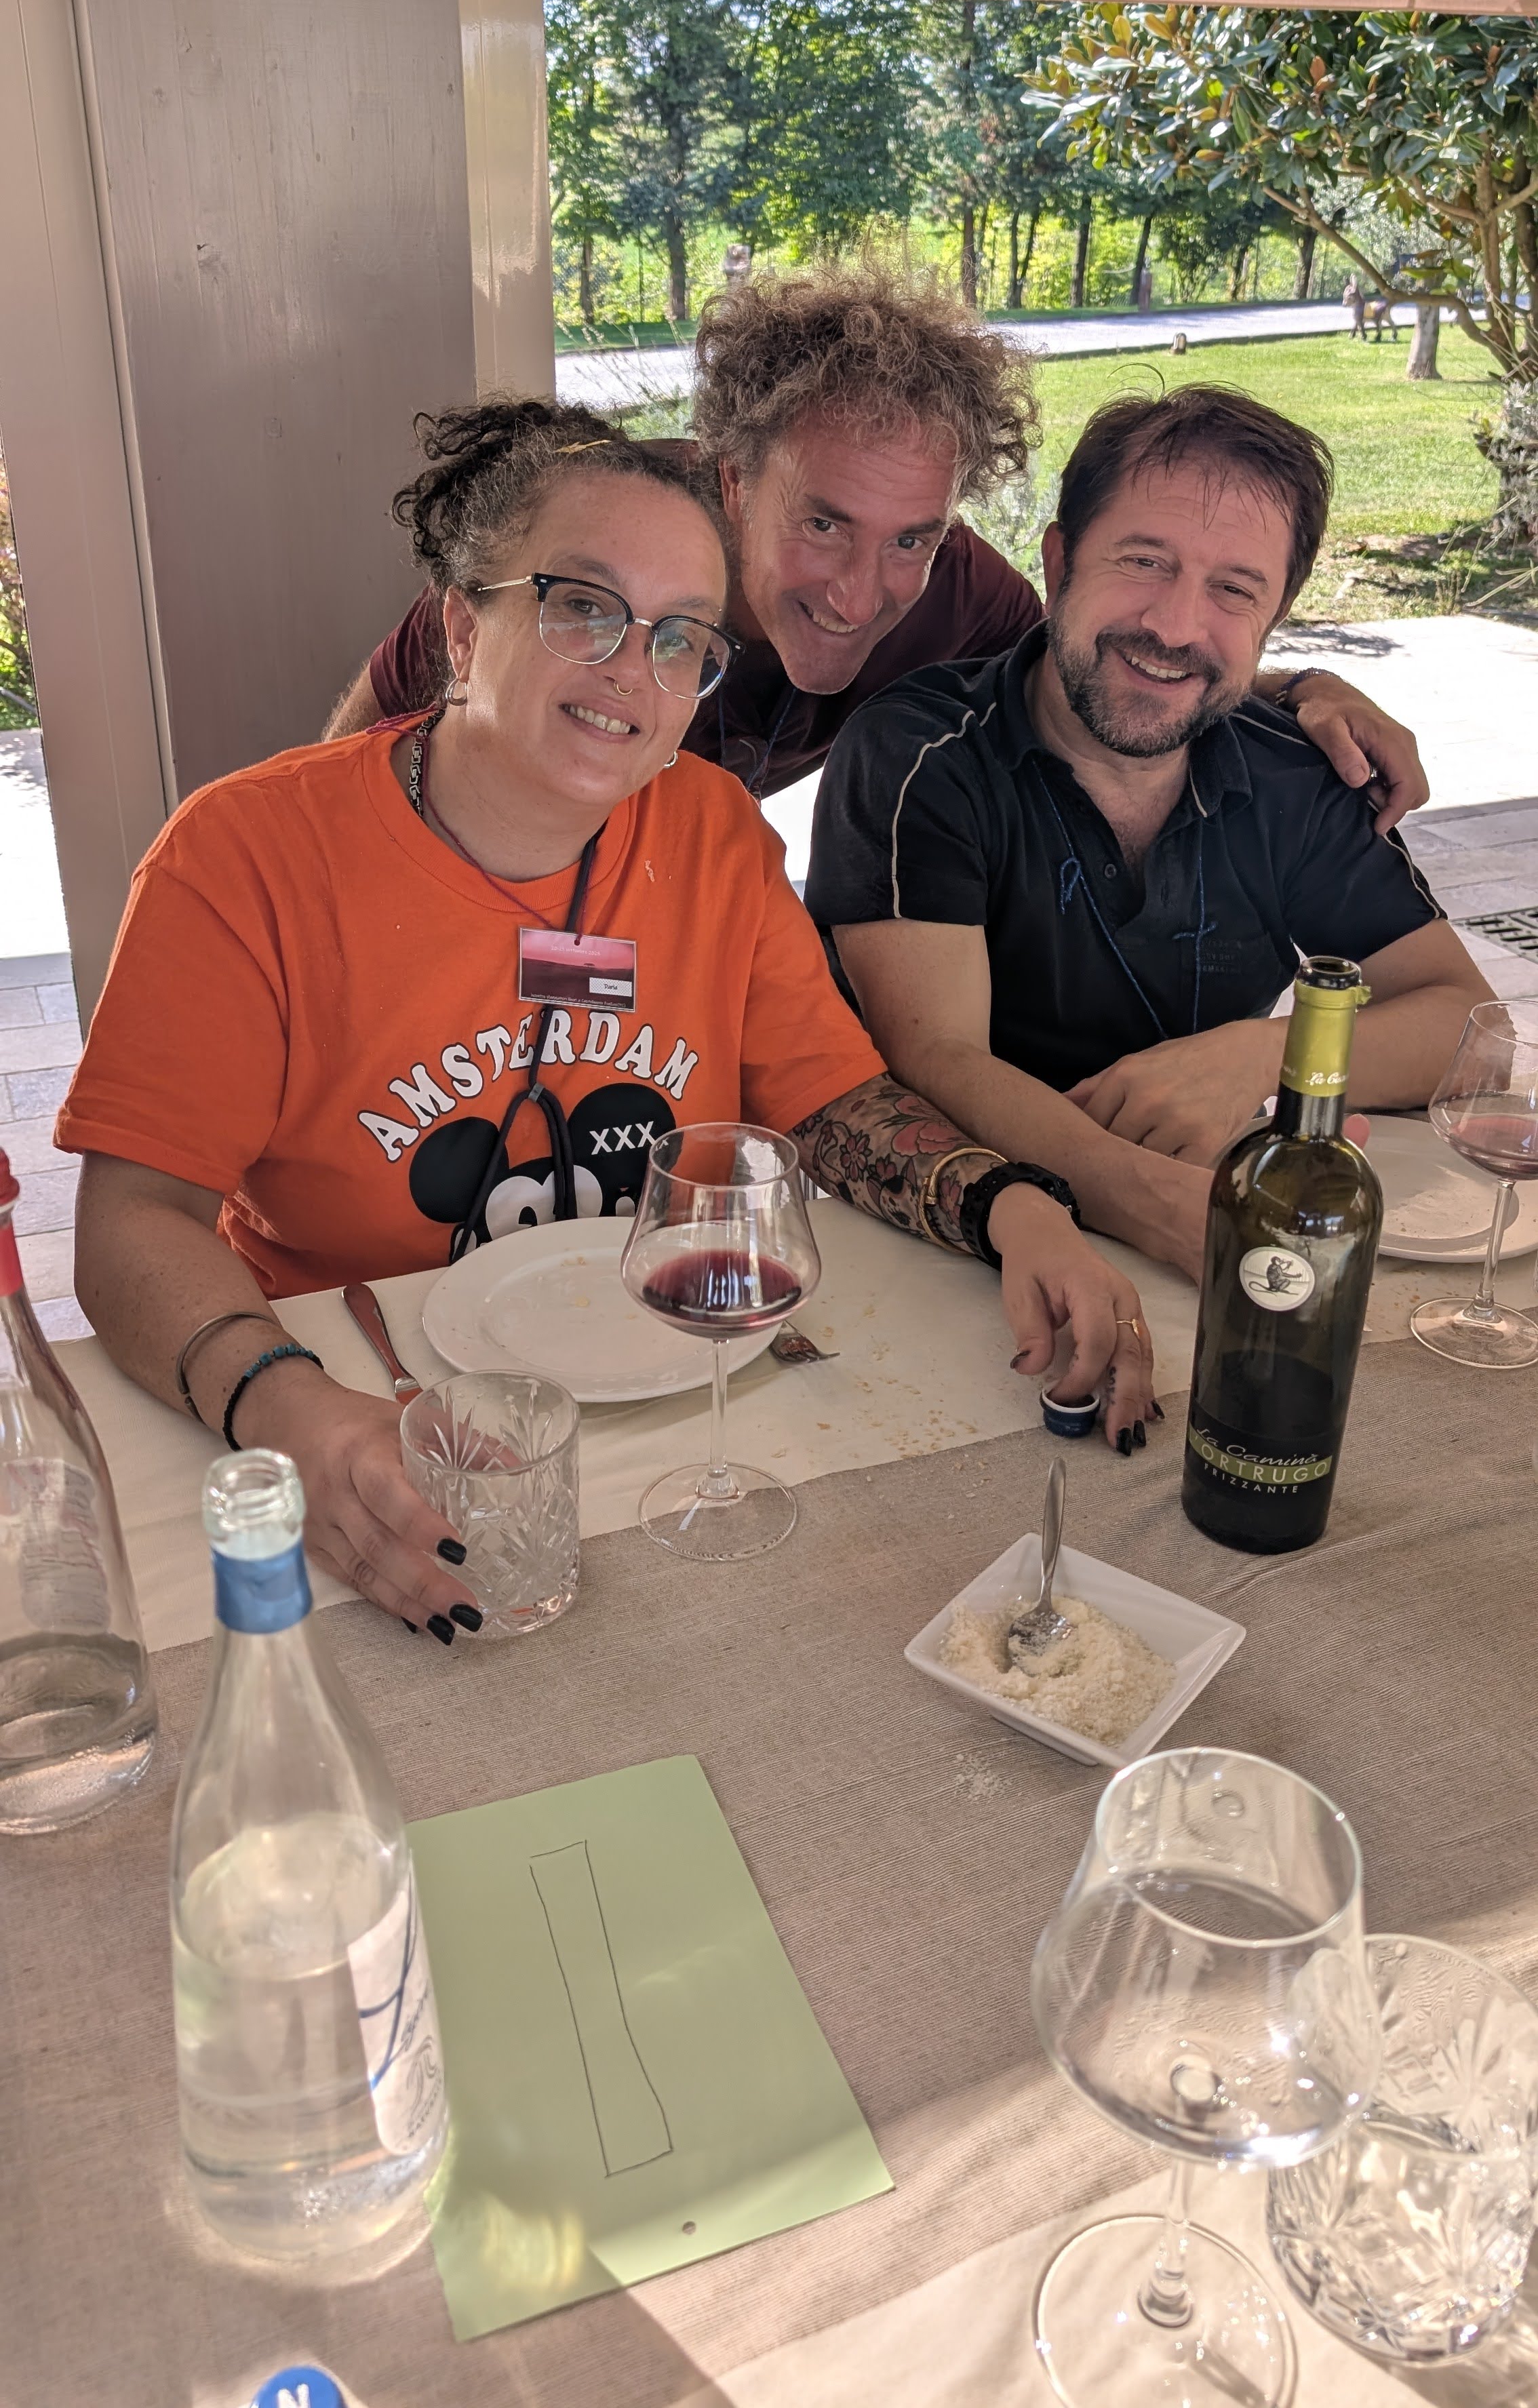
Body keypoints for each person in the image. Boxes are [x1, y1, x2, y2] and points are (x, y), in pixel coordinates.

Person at [60, 403, 1158, 1640]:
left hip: (686, 1399)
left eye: (684, 637)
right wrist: (281, 1404)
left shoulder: (713, 831)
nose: (634, 672)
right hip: (365, 1408)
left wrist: (1016, 1210)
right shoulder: (241, 859)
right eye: (583, 608)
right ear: (463, 632)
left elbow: (833, 1102)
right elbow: (132, 1222)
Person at [325, 267, 1429, 833]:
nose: (862, 595)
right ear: (732, 481)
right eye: (823, 524)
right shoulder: (582, 553)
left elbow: (1102, 670)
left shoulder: (958, 593)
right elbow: (340, 781)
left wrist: (1299, 690)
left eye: (913, 535)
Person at [806, 386, 1491, 1288]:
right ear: (1060, 564)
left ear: (1276, 614)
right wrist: (1154, 1202)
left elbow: (1467, 1027)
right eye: (1143, 562)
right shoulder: (922, 754)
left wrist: (1262, 1057)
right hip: (948, 1226)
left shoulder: (1296, 774)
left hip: (1199, 1201)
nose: (1174, 626)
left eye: (1233, 589)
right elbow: (933, 1056)